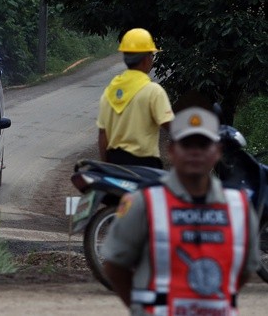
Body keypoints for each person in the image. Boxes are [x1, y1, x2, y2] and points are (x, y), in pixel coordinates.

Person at [102, 106, 260, 316]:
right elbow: (115, 266)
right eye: (187, 144)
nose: (195, 152)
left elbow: (246, 269)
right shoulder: (144, 202)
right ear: (172, 151)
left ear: (218, 152)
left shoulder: (239, 206)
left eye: (203, 144)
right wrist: (141, 308)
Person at [97, 28, 174, 168]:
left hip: (116, 166)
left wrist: (107, 167)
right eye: (152, 55)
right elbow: (171, 127)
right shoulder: (153, 91)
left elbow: (103, 134)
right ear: (146, 59)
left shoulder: (109, 92)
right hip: (146, 166)